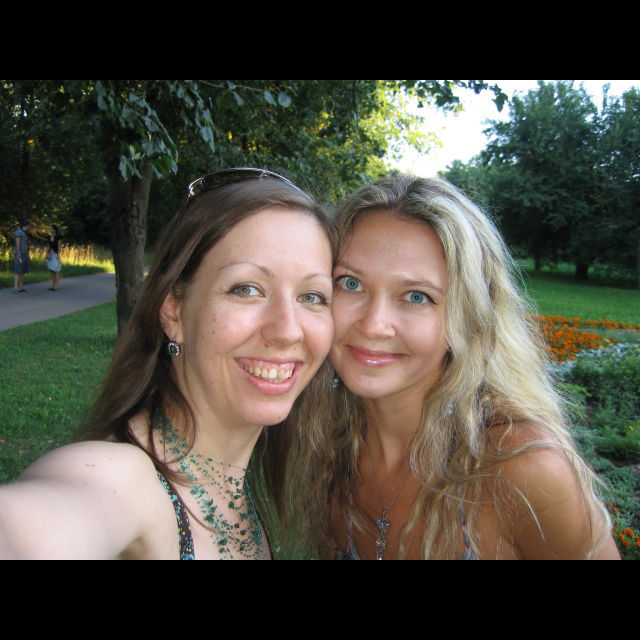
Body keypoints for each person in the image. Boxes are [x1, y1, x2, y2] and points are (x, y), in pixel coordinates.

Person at [0, 168, 336, 560]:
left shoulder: (236, 482)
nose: (288, 331)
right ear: (173, 311)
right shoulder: (124, 481)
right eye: (246, 289)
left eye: (312, 296)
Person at [288, 174, 620, 560]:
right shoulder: (325, 443)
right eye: (350, 283)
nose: (374, 325)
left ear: (467, 316)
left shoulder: (520, 467)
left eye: (417, 296)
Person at [13, 219, 31, 292]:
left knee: (23, 270)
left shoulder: (25, 233)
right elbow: (17, 243)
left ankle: (21, 286)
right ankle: (16, 286)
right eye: (29, 226)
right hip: (20, 254)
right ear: (26, 225)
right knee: (18, 270)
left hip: (25, 253)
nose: (30, 227)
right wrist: (18, 254)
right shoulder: (19, 232)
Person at [46, 225, 62, 290]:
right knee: (51, 270)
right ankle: (52, 285)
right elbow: (48, 246)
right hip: (50, 254)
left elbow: (59, 246)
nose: (49, 230)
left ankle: (55, 286)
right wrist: (46, 254)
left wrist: (58, 255)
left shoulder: (58, 237)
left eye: (51, 228)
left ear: (54, 230)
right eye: (49, 228)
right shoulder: (48, 237)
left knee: (56, 270)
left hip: (55, 254)